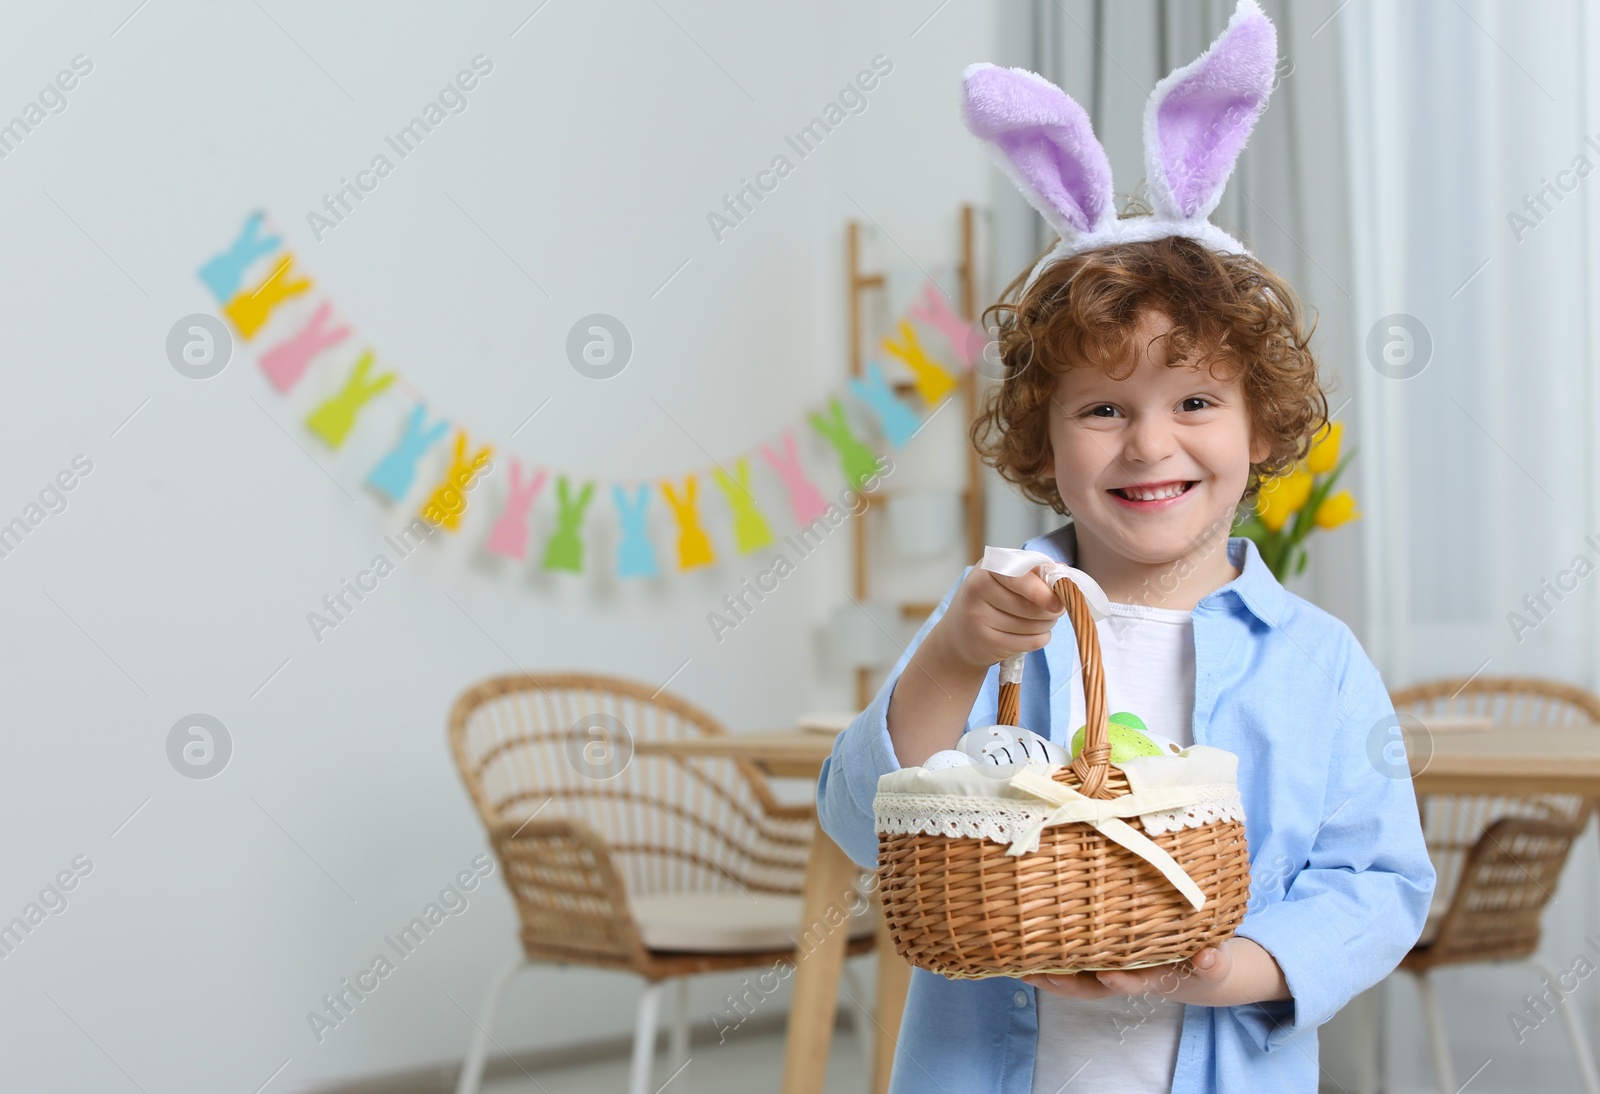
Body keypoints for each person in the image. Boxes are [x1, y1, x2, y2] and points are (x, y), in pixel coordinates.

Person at [815, 4, 1436, 1092]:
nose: (1151, 442)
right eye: (1102, 408)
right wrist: (954, 659)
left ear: (1258, 427)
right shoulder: (992, 618)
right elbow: (861, 820)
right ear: (1044, 443)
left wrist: (1230, 966)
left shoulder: (1320, 662)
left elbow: (1376, 875)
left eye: (1194, 397)